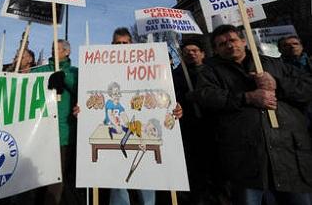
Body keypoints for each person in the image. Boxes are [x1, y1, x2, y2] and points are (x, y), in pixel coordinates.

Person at [195, 24, 312, 205]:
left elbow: (307, 87)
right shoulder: (210, 72)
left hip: (288, 153)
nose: (230, 45)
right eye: (222, 44)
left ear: (243, 41)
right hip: (245, 159)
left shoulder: (273, 64)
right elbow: (206, 97)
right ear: (216, 50)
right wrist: (247, 97)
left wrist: (278, 85)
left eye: (233, 40)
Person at [109, 27, 182, 205]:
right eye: (117, 43)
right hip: (119, 129)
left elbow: (160, 92)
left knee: (146, 174)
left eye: (124, 43)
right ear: (112, 45)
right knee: (117, 178)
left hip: (143, 127)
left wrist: (173, 105)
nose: (121, 46)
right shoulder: (104, 68)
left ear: (131, 44)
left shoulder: (146, 65)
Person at [172, 40, 230, 205]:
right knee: (196, 172)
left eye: (195, 50)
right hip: (190, 130)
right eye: (187, 51)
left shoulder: (215, 71)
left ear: (203, 53)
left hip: (216, 128)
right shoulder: (175, 75)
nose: (191, 53)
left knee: (220, 172)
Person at [32, 39, 81, 205]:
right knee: (38, 177)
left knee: (58, 178)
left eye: (57, 49)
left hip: (64, 134)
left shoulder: (75, 72)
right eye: (52, 48)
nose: (53, 51)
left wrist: (65, 78)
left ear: (67, 52)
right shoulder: (42, 70)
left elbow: (82, 90)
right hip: (41, 133)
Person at [278, 35, 312, 139]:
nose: (292, 47)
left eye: (295, 44)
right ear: (280, 49)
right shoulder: (277, 68)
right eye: (286, 45)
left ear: (301, 46)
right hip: (296, 115)